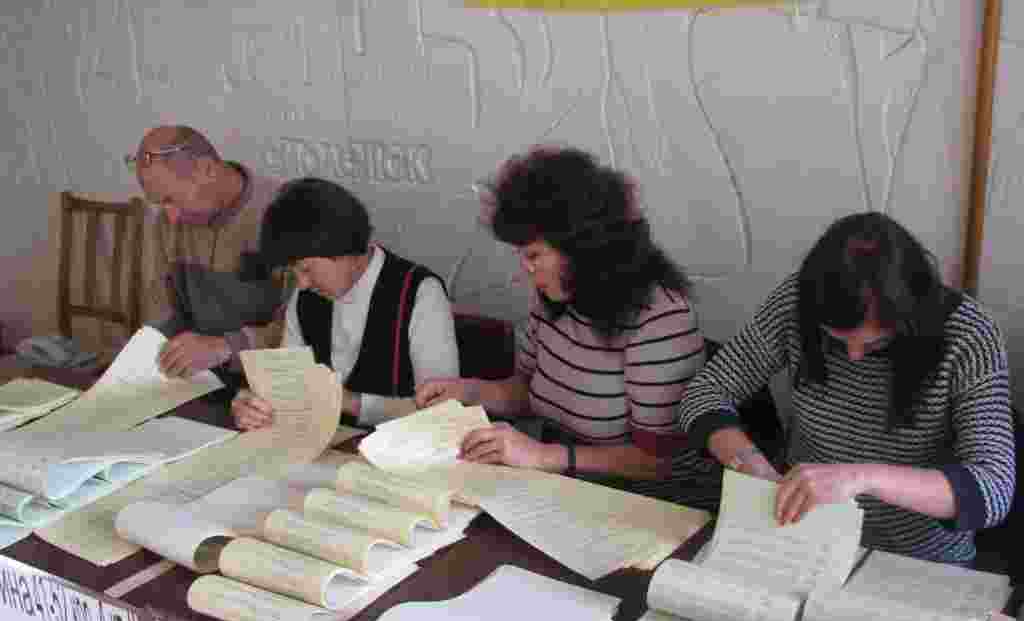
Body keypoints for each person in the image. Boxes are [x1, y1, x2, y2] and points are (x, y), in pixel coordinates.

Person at [679, 211, 1015, 564]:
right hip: (804, 539)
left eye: (873, 345)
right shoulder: (798, 302)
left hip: (917, 561)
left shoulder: (969, 336)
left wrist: (862, 477)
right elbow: (705, 392)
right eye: (835, 340)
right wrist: (749, 463)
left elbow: (992, 491)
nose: (853, 357)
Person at [416, 147, 719, 508]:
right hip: (571, 490)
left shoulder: (659, 318)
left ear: (582, 248)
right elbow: (529, 391)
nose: (525, 270)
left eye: (533, 256)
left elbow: (660, 461)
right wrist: (469, 391)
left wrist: (543, 456)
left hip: (650, 505)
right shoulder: (554, 301)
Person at [231, 177, 459, 428]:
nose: (303, 284)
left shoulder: (419, 293)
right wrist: (253, 404)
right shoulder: (306, 296)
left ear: (344, 249)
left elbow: (441, 411)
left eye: (306, 269)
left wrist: (348, 402)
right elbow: (288, 385)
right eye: (294, 272)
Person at [127, 125, 287, 383]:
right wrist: (150, 350)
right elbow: (162, 310)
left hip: (271, 383)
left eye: (171, 199)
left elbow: (304, 334)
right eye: (159, 203)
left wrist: (224, 347)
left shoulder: (285, 215)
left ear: (207, 170)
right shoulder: (168, 222)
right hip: (199, 383)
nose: (170, 216)